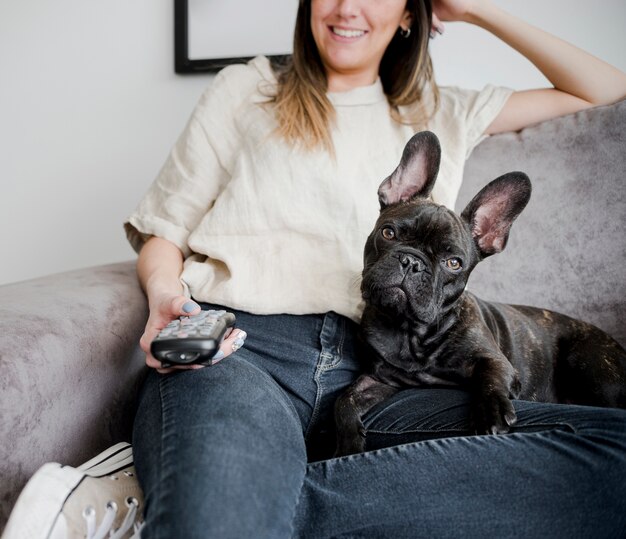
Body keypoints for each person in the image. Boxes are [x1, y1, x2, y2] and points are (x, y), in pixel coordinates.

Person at [5, 1, 626, 538]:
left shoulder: (443, 108)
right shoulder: (246, 89)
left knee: (614, 454)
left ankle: (211, 498)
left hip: (385, 376)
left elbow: (604, 87)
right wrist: (167, 294)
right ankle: (218, 495)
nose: (347, 8)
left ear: (411, 13)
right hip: (243, 354)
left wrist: (475, 9)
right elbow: (164, 230)